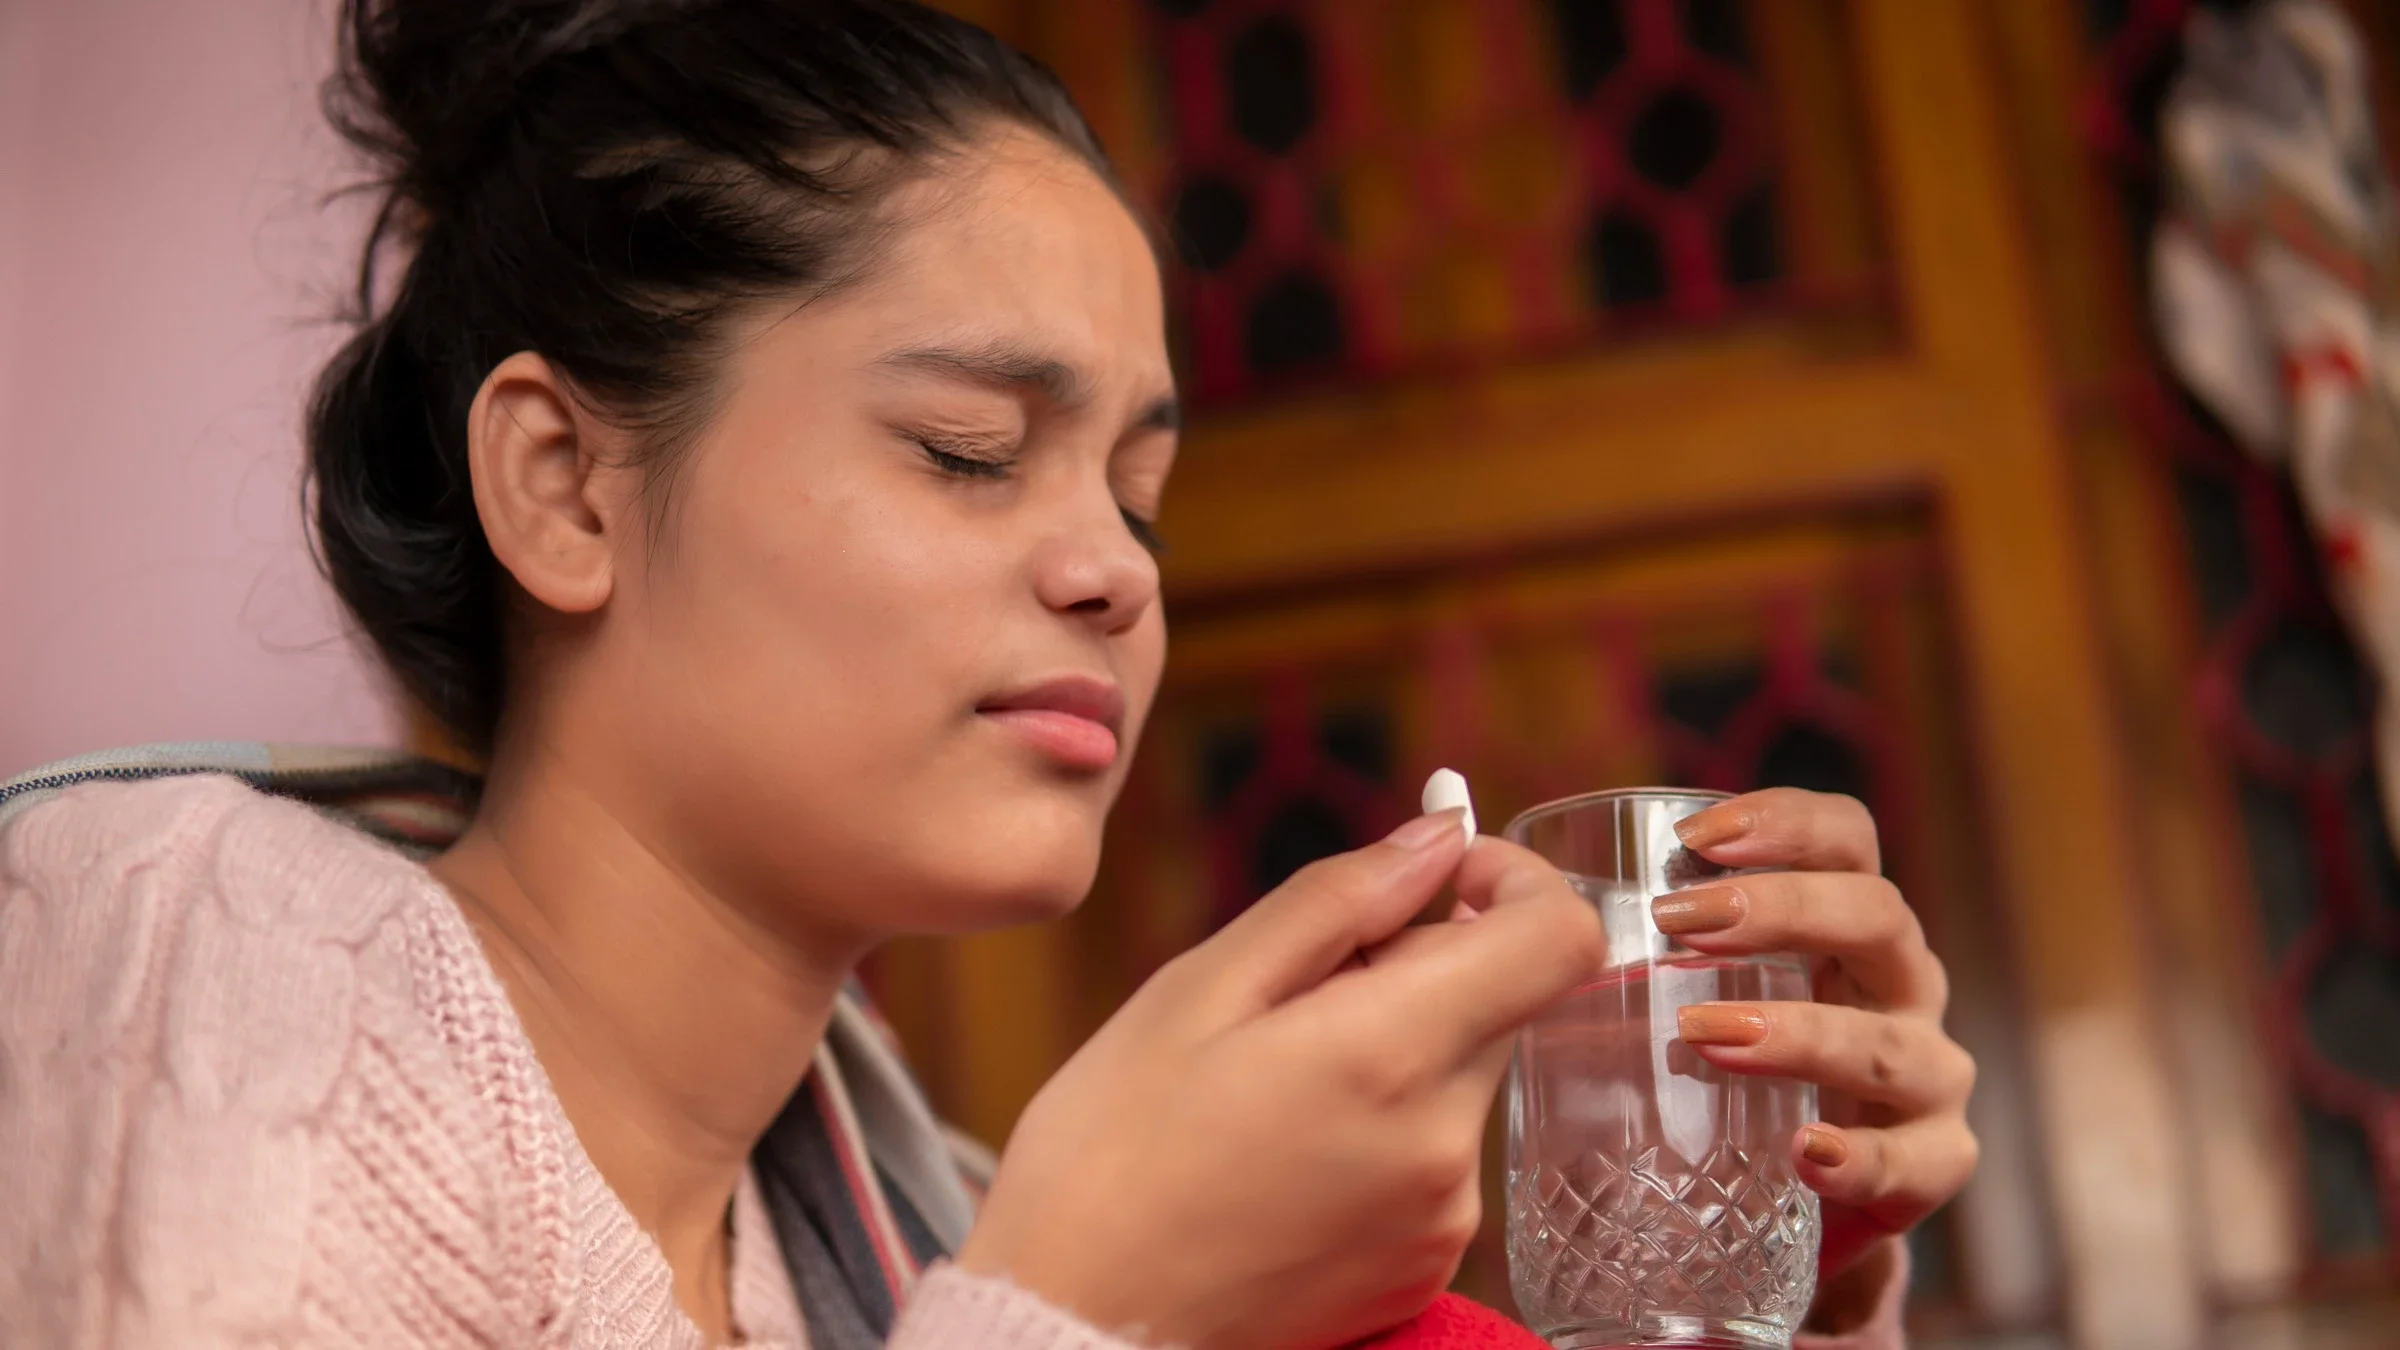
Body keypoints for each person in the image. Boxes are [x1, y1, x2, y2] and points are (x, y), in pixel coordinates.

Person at [0, 2, 1977, 1346]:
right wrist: (1086, 1299)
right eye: (968, 450)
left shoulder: (896, 1209)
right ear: (562, 486)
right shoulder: (193, 943)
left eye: (1144, 498)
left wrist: (1791, 1288)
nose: (1112, 572)